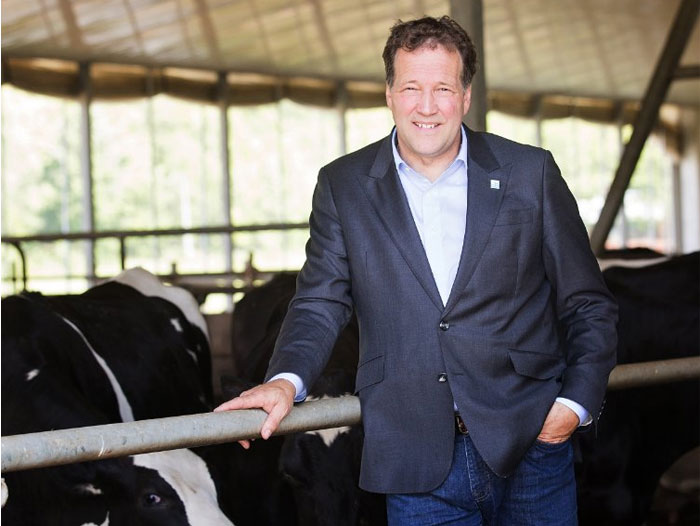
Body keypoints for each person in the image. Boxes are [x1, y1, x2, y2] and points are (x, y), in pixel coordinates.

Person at [215, 15, 617, 525]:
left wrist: (575, 405)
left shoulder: (529, 172)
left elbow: (588, 303)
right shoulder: (344, 185)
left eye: (443, 88)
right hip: (413, 455)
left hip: (532, 444)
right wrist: (284, 382)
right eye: (411, 88)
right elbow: (319, 302)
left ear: (465, 96)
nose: (427, 106)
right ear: (389, 94)